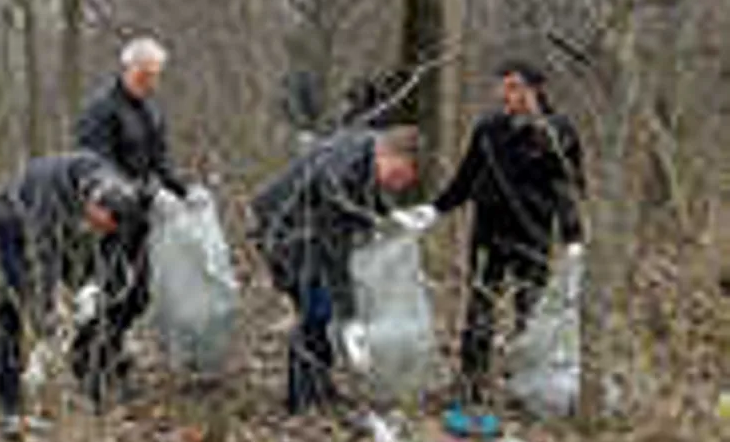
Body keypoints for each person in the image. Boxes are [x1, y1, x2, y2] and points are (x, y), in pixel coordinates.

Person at [396, 60, 585, 411]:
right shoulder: (488, 128)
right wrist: (433, 210)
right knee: (479, 308)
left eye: (513, 87)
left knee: (529, 309)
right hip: (488, 232)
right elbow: (466, 178)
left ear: (534, 90)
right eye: (502, 86)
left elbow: (569, 188)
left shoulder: (558, 132)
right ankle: (471, 383)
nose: (504, 94)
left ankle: (529, 385)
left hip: (532, 233)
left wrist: (573, 236)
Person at [250, 126, 421, 414]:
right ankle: (301, 399)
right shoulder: (344, 171)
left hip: (308, 228)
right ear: (390, 155)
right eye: (397, 176)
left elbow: (362, 198)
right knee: (314, 308)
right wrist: (350, 317)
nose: (396, 185)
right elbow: (334, 249)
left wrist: (388, 218)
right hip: (285, 229)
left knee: (322, 309)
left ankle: (320, 387)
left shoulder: (368, 148)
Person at [0, 152, 142, 435]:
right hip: (13, 219)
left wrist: (96, 288)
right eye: (98, 223)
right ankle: (7, 402)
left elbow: (116, 253)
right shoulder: (50, 197)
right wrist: (45, 314)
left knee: (99, 300)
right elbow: (42, 255)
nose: (101, 230)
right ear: (93, 203)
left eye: (105, 228)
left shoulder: (121, 196)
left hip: (67, 230)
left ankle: (93, 377)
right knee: (13, 303)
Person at [72, 37, 188, 399]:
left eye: (155, 76)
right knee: (107, 293)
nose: (150, 82)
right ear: (127, 69)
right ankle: (91, 369)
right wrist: (137, 194)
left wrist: (185, 192)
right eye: (144, 75)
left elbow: (160, 162)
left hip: (140, 218)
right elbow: (94, 166)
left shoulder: (152, 111)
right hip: (105, 217)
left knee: (137, 296)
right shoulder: (100, 110)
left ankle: (108, 354)